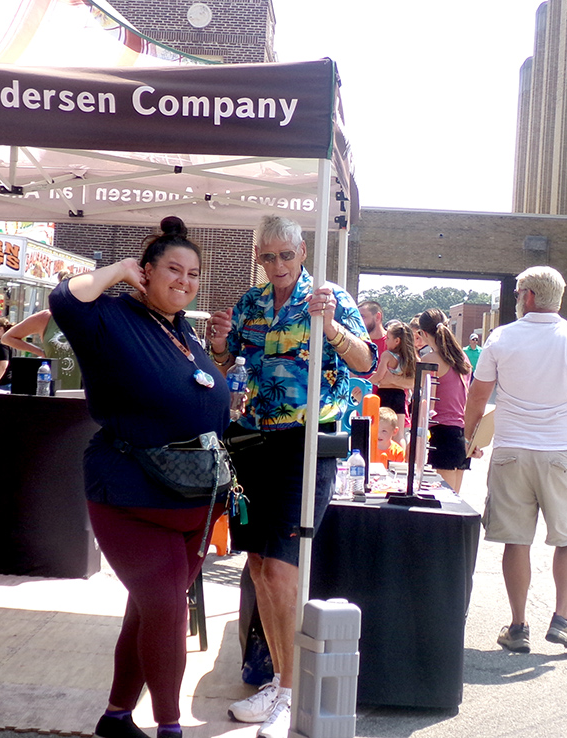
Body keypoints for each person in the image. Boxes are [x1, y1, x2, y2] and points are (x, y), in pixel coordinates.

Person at [48, 216, 230, 738]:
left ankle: (116, 717)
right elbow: (65, 299)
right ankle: (169, 728)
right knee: (167, 610)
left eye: (193, 273)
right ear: (145, 272)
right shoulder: (110, 316)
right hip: (130, 492)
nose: (185, 280)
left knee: (146, 611)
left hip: (195, 497)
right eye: (173, 269)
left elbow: (195, 391)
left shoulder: (182, 329)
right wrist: (118, 270)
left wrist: (216, 356)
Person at [206, 214, 376, 738]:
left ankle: (289, 689)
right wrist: (216, 341)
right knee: (257, 566)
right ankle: (280, 684)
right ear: (258, 255)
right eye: (267, 255)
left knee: (281, 570)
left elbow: (367, 363)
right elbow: (228, 356)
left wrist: (334, 328)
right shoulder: (251, 303)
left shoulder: (329, 299)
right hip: (255, 442)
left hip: (309, 446)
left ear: (302, 252)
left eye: (285, 254)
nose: (276, 264)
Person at [465, 266, 567, 654]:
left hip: (511, 450)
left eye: (517, 294)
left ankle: (518, 625)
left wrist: (471, 436)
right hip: (561, 451)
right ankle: (562, 619)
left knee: (516, 540)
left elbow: (478, 396)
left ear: (527, 296)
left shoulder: (502, 337)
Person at [417, 308, 472, 493]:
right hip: (461, 432)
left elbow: (427, 405)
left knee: (443, 498)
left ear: (423, 333)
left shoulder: (430, 359)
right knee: (455, 497)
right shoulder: (462, 358)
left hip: (441, 433)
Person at [2, 271, 82, 390]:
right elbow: (7, 338)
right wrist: (39, 351)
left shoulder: (89, 316)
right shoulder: (46, 317)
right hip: (51, 390)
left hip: (83, 393)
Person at [367, 320, 416, 444]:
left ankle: (383, 455)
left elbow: (379, 376)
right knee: (399, 433)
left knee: (382, 430)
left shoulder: (387, 356)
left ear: (397, 341)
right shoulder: (409, 359)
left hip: (385, 394)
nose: (386, 341)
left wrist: (367, 382)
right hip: (400, 396)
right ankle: (399, 457)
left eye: (388, 338)